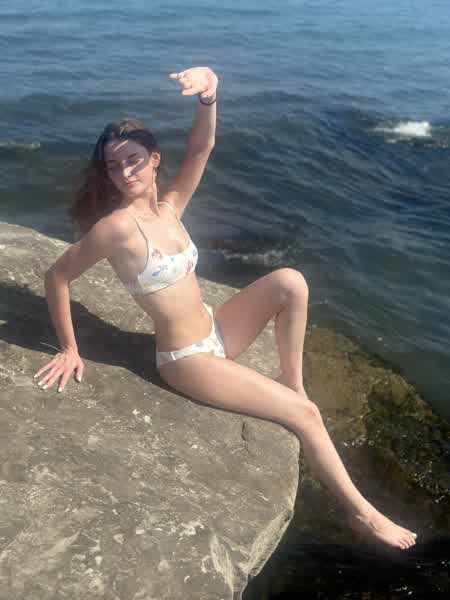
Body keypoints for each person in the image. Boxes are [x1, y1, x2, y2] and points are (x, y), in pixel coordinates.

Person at [33, 65, 417, 551]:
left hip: (216, 332)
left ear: (154, 160)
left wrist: (209, 93)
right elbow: (57, 276)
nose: (125, 172)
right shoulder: (117, 228)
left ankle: (291, 379)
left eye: (133, 160)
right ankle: (362, 514)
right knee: (306, 416)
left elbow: (201, 148)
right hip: (187, 360)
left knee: (291, 282)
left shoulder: (169, 208)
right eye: (113, 166)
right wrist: (70, 348)